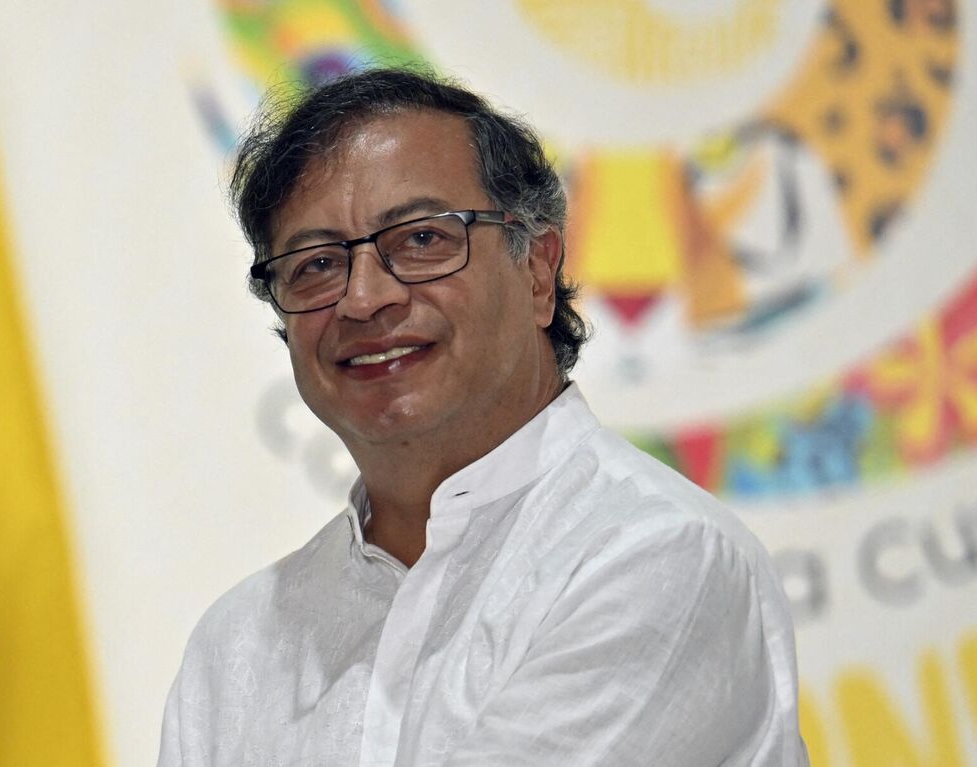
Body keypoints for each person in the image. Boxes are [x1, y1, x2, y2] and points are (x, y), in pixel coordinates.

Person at [159, 67, 805, 766]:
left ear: (536, 272)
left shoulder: (653, 553)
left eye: (421, 240)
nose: (364, 298)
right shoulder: (239, 646)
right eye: (315, 264)